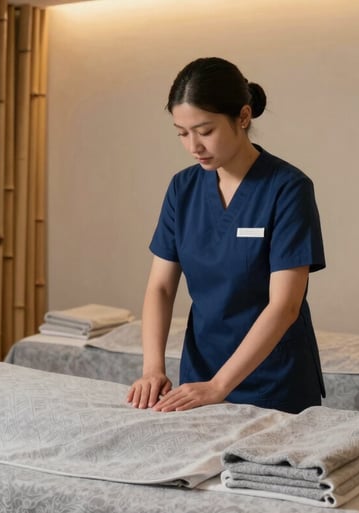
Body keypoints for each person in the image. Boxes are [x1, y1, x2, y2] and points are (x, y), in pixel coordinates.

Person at [126, 57, 325, 414]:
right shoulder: (182, 189)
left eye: (205, 131)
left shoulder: (287, 188)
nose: (193, 146)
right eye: (182, 133)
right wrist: (152, 368)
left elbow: (285, 306)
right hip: (200, 376)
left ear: (243, 117)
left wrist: (219, 386)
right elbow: (161, 287)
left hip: (274, 382)